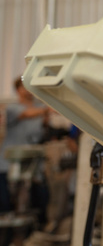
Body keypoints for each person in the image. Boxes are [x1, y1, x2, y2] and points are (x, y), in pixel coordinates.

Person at [0, 78, 51, 214]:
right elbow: (26, 114)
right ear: (18, 90)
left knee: (39, 200)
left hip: (32, 163)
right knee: (5, 203)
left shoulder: (41, 108)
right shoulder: (12, 108)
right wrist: (48, 109)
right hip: (9, 163)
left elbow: (44, 128)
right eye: (25, 87)